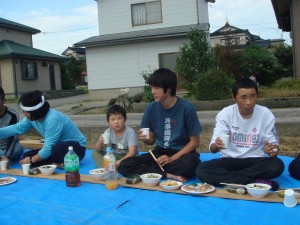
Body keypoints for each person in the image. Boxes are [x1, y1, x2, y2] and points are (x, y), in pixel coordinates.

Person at [196, 78, 284, 191]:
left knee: (277, 165)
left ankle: (233, 179)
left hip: (255, 160)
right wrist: (217, 145)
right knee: (202, 169)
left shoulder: (265, 113)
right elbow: (212, 149)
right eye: (243, 97)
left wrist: (273, 150)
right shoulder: (225, 114)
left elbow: (274, 147)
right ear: (234, 97)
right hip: (229, 160)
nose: (249, 102)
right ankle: (253, 181)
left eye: (252, 96)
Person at [118, 68, 202, 182]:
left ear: (169, 89)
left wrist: (172, 158)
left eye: (156, 88)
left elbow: (195, 142)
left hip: (182, 153)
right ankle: (167, 175)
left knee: (190, 165)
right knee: (124, 164)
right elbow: (151, 141)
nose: (152, 91)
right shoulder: (151, 108)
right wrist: (146, 138)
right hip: (160, 152)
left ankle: (153, 172)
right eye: (151, 87)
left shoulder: (187, 108)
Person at [0, 90, 86, 168]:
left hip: (76, 148)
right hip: (56, 145)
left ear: (36, 111)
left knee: (51, 151)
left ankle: (57, 162)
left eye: (26, 112)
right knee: (26, 155)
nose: (24, 114)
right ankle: (57, 162)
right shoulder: (32, 118)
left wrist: (31, 160)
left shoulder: (52, 119)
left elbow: (49, 147)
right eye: (23, 111)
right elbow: (16, 128)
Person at [0, 87, 23, 165]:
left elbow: (13, 137)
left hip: (9, 146)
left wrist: (6, 155)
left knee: (18, 149)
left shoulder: (12, 115)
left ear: (3, 101)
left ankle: (6, 159)